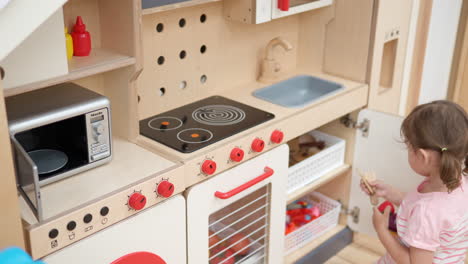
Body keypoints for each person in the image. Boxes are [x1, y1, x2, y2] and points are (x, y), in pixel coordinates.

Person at [361, 100, 468, 263]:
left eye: (408, 146)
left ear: (423, 156)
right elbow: (422, 208)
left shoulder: (427, 213)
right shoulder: (458, 181)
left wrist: (382, 231)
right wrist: (389, 192)